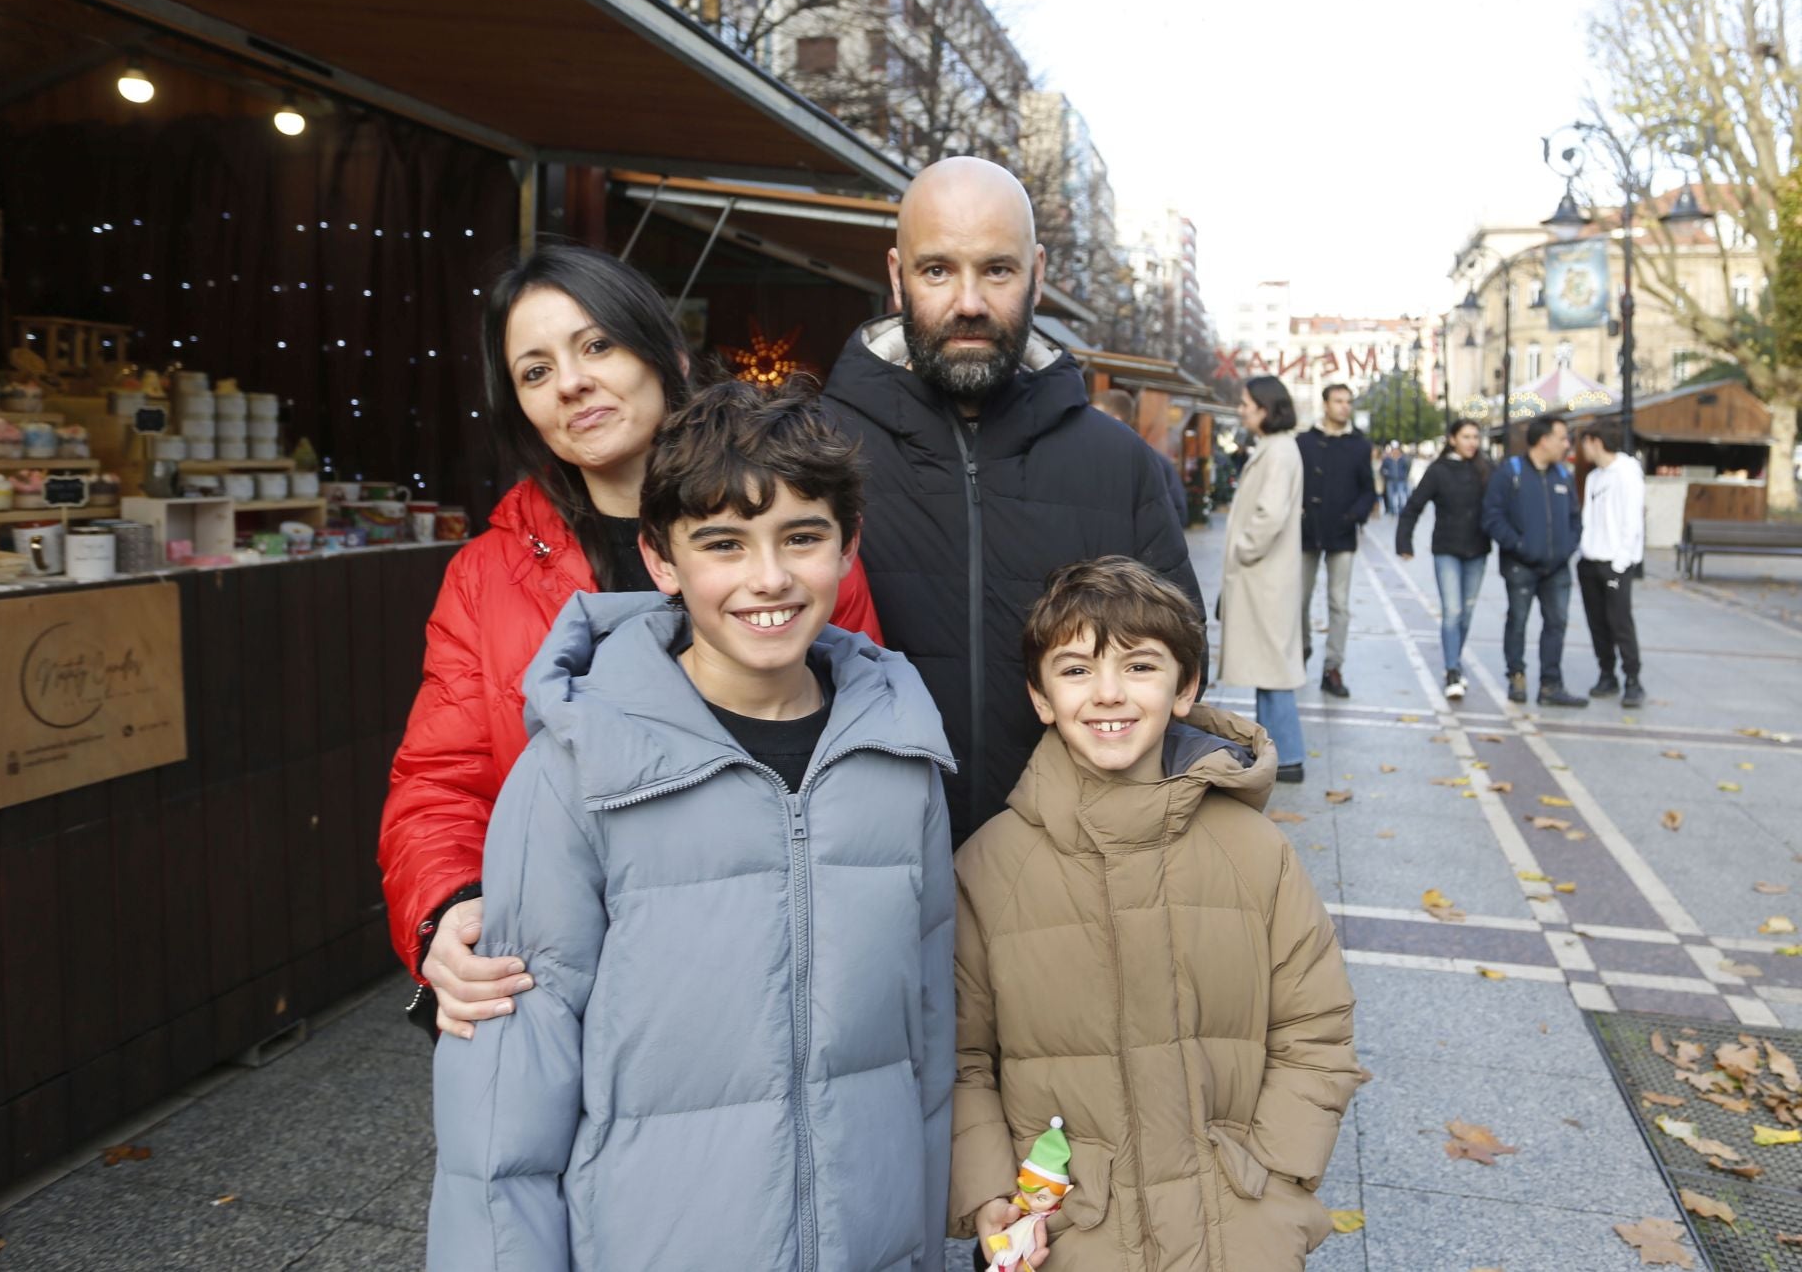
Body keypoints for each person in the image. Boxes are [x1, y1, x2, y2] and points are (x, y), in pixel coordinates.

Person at [427, 382, 954, 1271]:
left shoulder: (901, 755)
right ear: (661, 559)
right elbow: (506, 1106)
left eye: (802, 536)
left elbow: (927, 1051)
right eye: (723, 543)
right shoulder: (574, 769)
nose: (769, 577)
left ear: (848, 545)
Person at [379, 245, 882, 1041]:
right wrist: (445, 907)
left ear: (667, 354)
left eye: (597, 345)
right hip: (570, 974)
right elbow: (439, 781)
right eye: (535, 371)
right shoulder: (486, 576)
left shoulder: (788, 545)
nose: (570, 382)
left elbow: (860, 755)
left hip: (770, 957)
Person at [951, 556, 1360, 1270]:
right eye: (1076, 669)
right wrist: (991, 1193)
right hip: (1070, 1237)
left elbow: (1315, 1027)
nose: (1108, 692)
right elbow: (961, 1059)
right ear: (1041, 696)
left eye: (1139, 666)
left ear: (1185, 686)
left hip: (1239, 1234)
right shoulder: (989, 868)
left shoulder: (1254, 851)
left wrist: (1275, 1183)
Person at [823, 156, 1203, 845]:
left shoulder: (1120, 467)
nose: (969, 301)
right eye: (938, 270)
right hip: (862, 865)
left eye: (997, 270)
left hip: (1074, 871)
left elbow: (1177, 676)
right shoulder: (813, 456)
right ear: (897, 277)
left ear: (1038, 273)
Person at [1217, 376, 1307, 783]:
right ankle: (1277, 751)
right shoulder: (1276, 448)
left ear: (1266, 408)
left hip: (1265, 574)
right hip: (1264, 576)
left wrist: (1244, 549)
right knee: (1270, 666)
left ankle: (1287, 754)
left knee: (1274, 668)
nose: (1241, 410)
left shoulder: (1279, 451)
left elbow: (1269, 514)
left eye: (1246, 403)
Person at [1481, 413, 1587, 707]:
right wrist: (1519, 545)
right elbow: (1492, 516)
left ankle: (1551, 685)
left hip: (1557, 567)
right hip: (1521, 565)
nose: (1567, 444)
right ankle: (1516, 676)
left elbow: (1575, 518)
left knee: (1557, 623)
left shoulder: (1563, 475)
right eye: (1562, 438)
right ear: (1544, 440)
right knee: (1518, 621)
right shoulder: (1510, 472)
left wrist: (1567, 547)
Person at [1396, 419, 1494, 700]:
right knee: (1452, 611)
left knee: (1467, 612)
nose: (1472, 442)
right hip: (1447, 549)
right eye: (1466, 436)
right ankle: (1452, 669)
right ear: (1452, 439)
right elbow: (1413, 506)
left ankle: (1455, 660)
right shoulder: (1438, 471)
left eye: (1475, 436)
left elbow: (1501, 503)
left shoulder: (1486, 468)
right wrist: (1404, 542)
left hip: (1477, 550)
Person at [1295, 384, 1376, 699]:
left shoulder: (1359, 445)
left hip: (1342, 532)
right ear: (1325, 404)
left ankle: (1333, 667)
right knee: (1299, 599)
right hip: (1306, 532)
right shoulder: (1303, 442)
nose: (1344, 406)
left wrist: (1354, 515)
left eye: (1348, 401)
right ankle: (1301, 648)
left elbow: (1368, 489)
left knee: (1339, 603)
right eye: (1338, 401)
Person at [1577, 421, 1647, 708]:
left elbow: (1632, 520)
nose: (1582, 449)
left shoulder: (1627, 473)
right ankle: (1607, 673)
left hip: (1615, 563)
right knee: (1597, 622)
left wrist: (1621, 561)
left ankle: (1632, 678)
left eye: (1585, 443)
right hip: (1590, 560)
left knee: (1620, 621)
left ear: (1596, 441)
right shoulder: (1594, 477)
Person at [1090, 386, 1189, 527]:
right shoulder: (1089, 459)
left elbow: (1177, 515)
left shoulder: (1152, 463)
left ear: (1115, 419)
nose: (1089, 423)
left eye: (1095, 417)